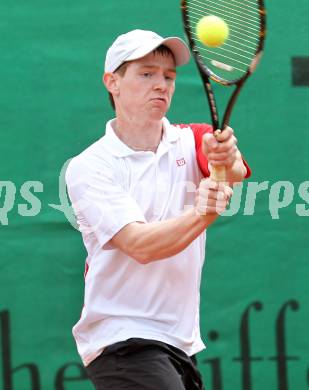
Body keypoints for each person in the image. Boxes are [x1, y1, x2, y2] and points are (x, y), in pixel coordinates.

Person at [65, 29, 250, 390]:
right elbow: (141, 246)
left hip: (178, 341)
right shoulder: (90, 167)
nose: (161, 85)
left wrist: (227, 158)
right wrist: (203, 213)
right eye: (146, 73)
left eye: (168, 76)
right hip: (123, 339)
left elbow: (233, 170)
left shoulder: (193, 138)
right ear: (112, 82)